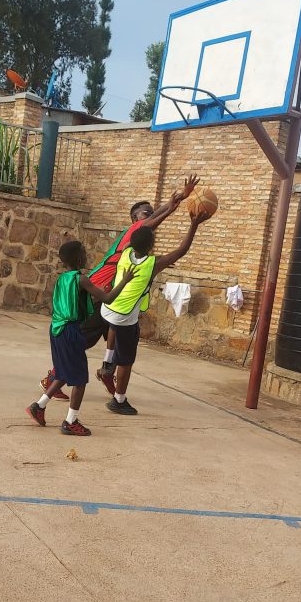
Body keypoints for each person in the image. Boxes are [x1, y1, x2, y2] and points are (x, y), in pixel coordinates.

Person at [40, 175, 200, 398]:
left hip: (111, 296)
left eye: (151, 212)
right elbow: (154, 224)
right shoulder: (132, 233)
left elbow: (153, 230)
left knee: (120, 336)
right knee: (83, 340)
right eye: (146, 213)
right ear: (135, 219)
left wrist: (176, 202)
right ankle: (52, 379)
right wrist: (175, 204)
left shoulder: (135, 246)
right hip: (98, 293)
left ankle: (107, 371)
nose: (150, 215)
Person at [101, 210, 209, 415]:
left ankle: (108, 360)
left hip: (108, 309)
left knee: (116, 332)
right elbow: (182, 250)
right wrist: (194, 224)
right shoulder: (152, 264)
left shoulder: (125, 251)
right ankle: (118, 400)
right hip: (124, 316)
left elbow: (140, 240)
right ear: (151, 246)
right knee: (126, 361)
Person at [26, 239, 134, 437]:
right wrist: (124, 281)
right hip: (70, 331)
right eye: (84, 252)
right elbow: (108, 299)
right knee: (80, 379)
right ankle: (70, 421)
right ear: (78, 258)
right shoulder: (81, 279)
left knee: (63, 372)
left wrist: (97, 293)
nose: (86, 255)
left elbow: (78, 300)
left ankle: (39, 406)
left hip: (56, 329)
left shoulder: (62, 278)